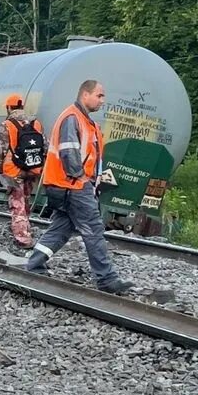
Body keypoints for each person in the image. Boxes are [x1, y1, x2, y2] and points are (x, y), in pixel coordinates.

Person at [23, 80, 133, 295]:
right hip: (72, 185)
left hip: (68, 185)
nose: (102, 100)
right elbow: (69, 152)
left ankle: (35, 264)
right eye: (99, 95)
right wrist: (82, 178)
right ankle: (106, 279)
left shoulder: (84, 121)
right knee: (93, 229)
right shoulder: (73, 118)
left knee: (62, 228)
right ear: (85, 94)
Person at [0, 93, 46, 250]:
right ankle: (24, 227)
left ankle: (23, 239)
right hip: (33, 169)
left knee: (17, 203)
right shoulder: (36, 123)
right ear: (21, 107)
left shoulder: (7, 125)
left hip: (14, 171)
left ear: (8, 108)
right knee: (25, 200)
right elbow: (45, 147)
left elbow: (1, 150)